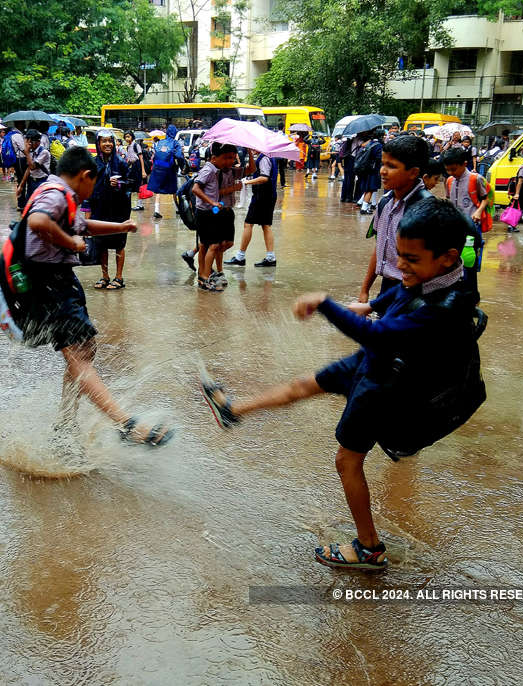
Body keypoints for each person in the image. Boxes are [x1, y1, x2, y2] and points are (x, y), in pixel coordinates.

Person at [200, 197, 477, 570]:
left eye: (411, 259)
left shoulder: (447, 306)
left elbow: (376, 335)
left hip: (385, 385)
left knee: (347, 461)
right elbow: (395, 296)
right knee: (305, 384)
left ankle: (368, 547)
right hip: (375, 365)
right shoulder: (434, 274)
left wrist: (327, 304)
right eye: (399, 254)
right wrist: (364, 305)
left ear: (447, 257)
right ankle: (233, 410)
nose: (400, 264)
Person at [0, 147, 172, 447]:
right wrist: (70, 242)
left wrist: (121, 225)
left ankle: (64, 425)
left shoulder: (62, 196)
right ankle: (126, 424)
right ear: (85, 176)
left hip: (55, 281)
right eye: (92, 184)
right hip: (44, 283)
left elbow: (82, 227)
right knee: (77, 354)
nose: (92, 191)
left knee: (84, 351)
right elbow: (38, 223)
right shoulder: (56, 194)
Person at [359, 135, 432, 301]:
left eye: (391, 166)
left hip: (414, 293)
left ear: (413, 172)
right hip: (388, 288)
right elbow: (380, 248)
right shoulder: (385, 202)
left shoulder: (426, 209)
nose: (382, 171)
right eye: (382, 164)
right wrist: (365, 290)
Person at [191, 142, 243, 291]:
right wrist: (212, 202)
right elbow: (196, 188)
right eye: (227, 158)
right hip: (205, 212)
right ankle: (204, 278)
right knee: (210, 246)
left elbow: (250, 170)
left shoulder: (219, 170)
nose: (230, 161)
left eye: (233, 158)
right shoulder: (209, 170)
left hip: (213, 211)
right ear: (214, 158)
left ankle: (205, 276)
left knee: (210, 245)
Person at [443, 146, 491, 303]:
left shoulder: (476, 179)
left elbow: (486, 198)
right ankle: (457, 294)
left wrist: (478, 211)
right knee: (453, 261)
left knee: (469, 262)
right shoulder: (449, 181)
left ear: (464, 164)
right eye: (448, 170)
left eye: (453, 169)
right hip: (454, 228)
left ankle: (472, 296)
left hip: (471, 228)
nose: (451, 173)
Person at [90, 130, 132, 290]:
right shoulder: (93, 164)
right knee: (101, 243)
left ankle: (119, 277)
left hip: (119, 209)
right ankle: (105, 276)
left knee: (119, 243)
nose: (107, 144)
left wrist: (119, 185)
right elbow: (89, 187)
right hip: (100, 209)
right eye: (104, 141)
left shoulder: (120, 163)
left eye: (110, 141)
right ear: (98, 144)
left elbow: (130, 184)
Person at [225, 149, 278, 268]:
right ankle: (270, 257)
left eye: (254, 147)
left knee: (248, 224)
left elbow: (264, 177)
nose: (252, 149)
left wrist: (247, 183)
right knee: (265, 225)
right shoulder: (267, 156)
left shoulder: (264, 158)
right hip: (268, 195)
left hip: (262, 196)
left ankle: (240, 257)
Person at [146, 124, 185, 218]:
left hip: (157, 168)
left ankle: (156, 210)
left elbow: (155, 155)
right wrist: (182, 166)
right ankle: (177, 208)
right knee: (173, 189)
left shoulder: (160, 142)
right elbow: (179, 156)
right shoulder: (175, 143)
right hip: (169, 169)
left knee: (158, 189)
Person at [16, 129, 51, 204]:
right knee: (28, 205)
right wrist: (21, 186)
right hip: (32, 182)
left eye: (29, 141)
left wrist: (27, 153)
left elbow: (32, 167)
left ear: (37, 142)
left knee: (39, 205)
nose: (27, 144)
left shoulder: (44, 152)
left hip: (42, 182)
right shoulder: (32, 151)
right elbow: (29, 169)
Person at [354, 133, 383, 214]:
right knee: (370, 189)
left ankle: (363, 205)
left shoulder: (368, 144)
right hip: (373, 170)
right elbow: (379, 158)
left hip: (364, 169)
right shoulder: (378, 146)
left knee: (367, 188)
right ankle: (364, 208)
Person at [123, 131, 148, 211]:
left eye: (128, 136)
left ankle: (140, 205)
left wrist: (143, 171)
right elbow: (129, 159)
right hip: (132, 166)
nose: (127, 138)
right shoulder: (128, 147)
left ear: (132, 137)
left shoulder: (136, 145)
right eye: (126, 137)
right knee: (131, 185)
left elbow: (141, 158)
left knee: (139, 186)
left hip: (138, 166)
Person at [276, 122, 288, 187]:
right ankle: (282, 184)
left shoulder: (274, 134)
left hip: (275, 154)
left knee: (274, 170)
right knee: (281, 170)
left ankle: (273, 183)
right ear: (283, 128)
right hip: (282, 155)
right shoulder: (285, 136)